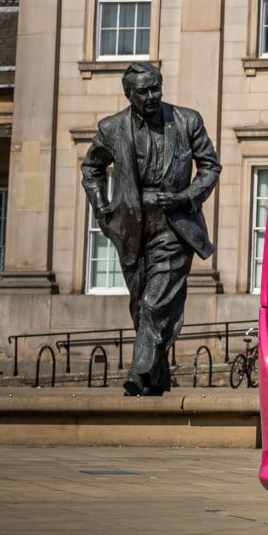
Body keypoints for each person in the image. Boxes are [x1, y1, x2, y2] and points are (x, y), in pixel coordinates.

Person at [79, 63, 220, 396]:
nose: (153, 96)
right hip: (132, 228)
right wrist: (101, 209)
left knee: (155, 303)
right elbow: (91, 168)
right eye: (144, 91)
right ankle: (157, 378)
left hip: (175, 225)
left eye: (156, 87)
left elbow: (210, 167)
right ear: (130, 94)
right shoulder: (112, 128)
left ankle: (138, 372)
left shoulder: (187, 121)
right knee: (141, 305)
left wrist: (185, 196)